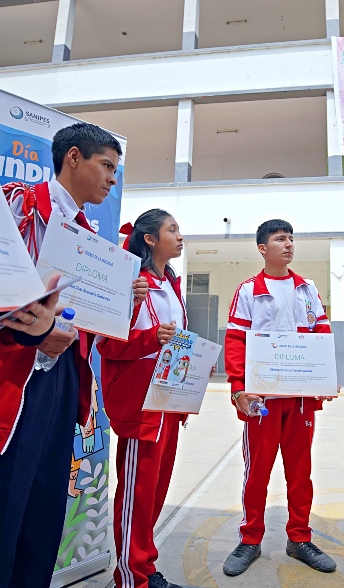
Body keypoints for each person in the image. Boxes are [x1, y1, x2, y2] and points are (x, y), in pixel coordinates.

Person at [0, 123, 148, 588]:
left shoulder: (90, 237)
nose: (111, 179)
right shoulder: (17, 205)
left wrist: (125, 303)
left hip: (65, 376)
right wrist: (34, 333)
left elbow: (92, 322)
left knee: (44, 507)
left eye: (116, 170)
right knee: (8, 502)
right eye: (106, 166)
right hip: (15, 376)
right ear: (74, 158)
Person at [222, 219, 337, 578]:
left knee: (300, 472)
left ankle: (299, 538)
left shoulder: (307, 289)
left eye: (291, 239)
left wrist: (324, 378)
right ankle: (251, 539)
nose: (288, 245)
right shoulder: (248, 290)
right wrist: (239, 389)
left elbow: (321, 332)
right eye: (279, 239)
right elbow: (237, 341)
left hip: (300, 398)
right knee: (257, 472)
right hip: (263, 400)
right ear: (262, 248)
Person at [97, 210, 195, 588]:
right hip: (142, 404)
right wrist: (149, 337)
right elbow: (107, 344)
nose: (180, 236)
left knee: (154, 493)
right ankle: (131, 577)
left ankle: (145, 567)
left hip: (168, 396)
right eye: (173, 229)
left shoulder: (169, 282)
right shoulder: (132, 283)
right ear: (150, 239)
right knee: (136, 495)